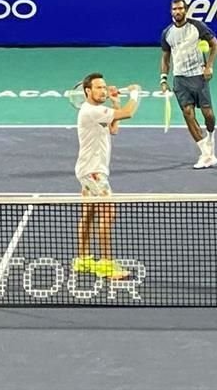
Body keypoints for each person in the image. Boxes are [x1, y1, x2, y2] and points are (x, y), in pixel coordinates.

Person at [73, 73, 141, 279]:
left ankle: (82, 259)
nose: (103, 90)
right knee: (108, 213)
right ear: (87, 91)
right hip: (94, 173)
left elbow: (113, 129)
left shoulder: (95, 111)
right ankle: (106, 264)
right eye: (99, 88)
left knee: (89, 213)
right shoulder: (92, 111)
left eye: (104, 87)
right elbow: (128, 113)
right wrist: (135, 93)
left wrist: (116, 101)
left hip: (88, 170)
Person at [159, 0, 217, 169]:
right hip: (180, 79)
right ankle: (205, 153)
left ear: (185, 10)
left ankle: (211, 136)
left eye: (180, 9)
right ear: (171, 11)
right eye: (174, 9)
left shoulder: (198, 26)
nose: (177, 12)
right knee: (188, 113)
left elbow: (215, 44)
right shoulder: (167, 33)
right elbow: (165, 57)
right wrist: (163, 79)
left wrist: (209, 66)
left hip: (198, 77)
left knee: (208, 115)